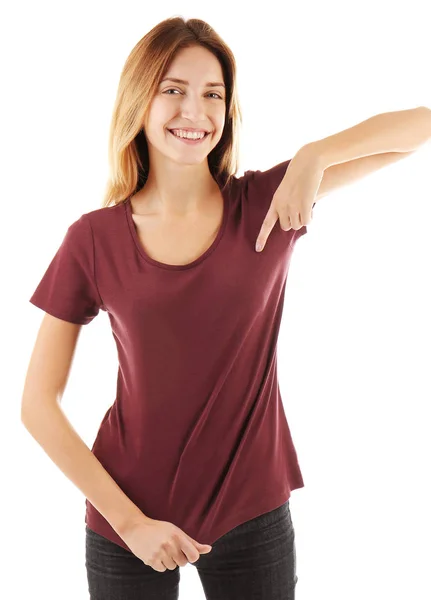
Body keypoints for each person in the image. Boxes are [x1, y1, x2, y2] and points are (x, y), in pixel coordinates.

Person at [22, 16, 308, 600]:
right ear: (140, 100)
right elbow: (36, 405)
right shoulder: (93, 238)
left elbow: (421, 127)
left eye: (213, 94)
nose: (194, 112)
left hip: (252, 508)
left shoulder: (267, 204)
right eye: (172, 90)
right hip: (127, 514)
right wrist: (129, 523)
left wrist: (315, 156)